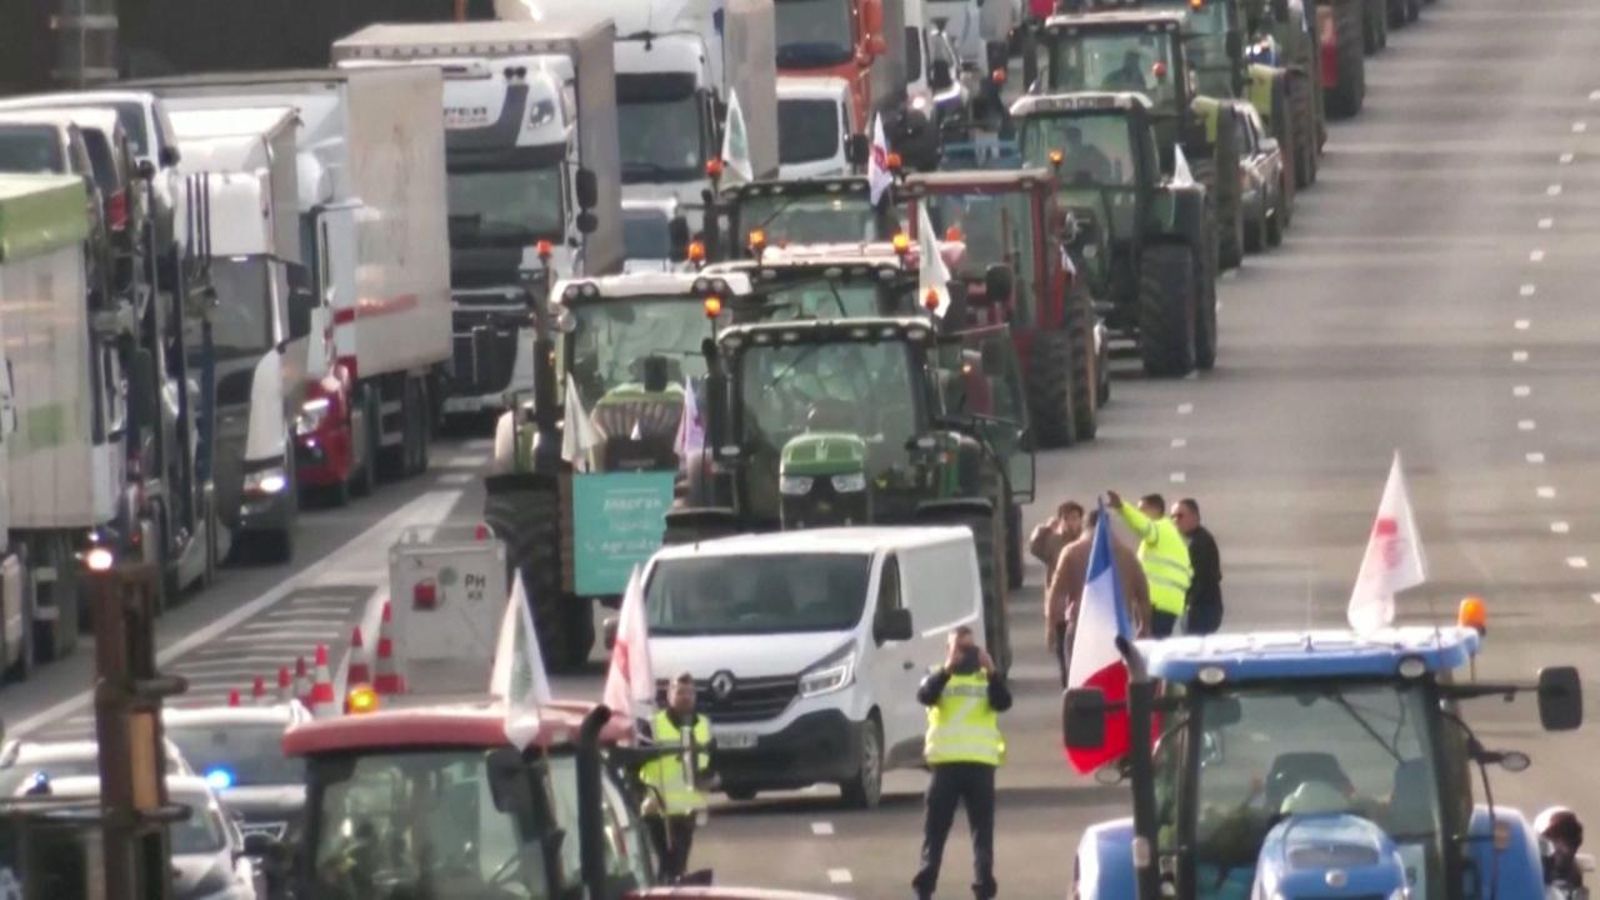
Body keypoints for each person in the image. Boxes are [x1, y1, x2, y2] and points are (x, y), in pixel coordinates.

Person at [913, 627, 1012, 900]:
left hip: (980, 766)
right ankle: (924, 889)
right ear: (948, 650)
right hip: (945, 767)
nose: (964, 655)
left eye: (969, 648)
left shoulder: (986, 678)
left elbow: (1004, 702)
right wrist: (947, 669)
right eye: (959, 648)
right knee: (934, 833)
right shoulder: (937, 674)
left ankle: (983, 889)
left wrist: (992, 671)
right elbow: (925, 696)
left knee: (982, 835)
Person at [1045, 508, 1152, 685]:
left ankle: (1079, 711)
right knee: (1117, 681)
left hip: (1082, 627)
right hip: (1118, 629)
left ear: (1085, 526)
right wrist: (1144, 626)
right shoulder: (1127, 554)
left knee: (1078, 680)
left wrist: (1051, 626)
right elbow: (1143, 595)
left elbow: (1057, 593)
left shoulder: (1071, 552)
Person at [639, 673, 713, 880]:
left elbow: (711, 761)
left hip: (687, 809)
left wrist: (710, 779)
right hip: (658, 810)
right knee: (665, 862)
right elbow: (636, 764)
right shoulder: (653, 725)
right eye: (680, 692)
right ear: (669, 694)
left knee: (678, 864)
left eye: (690, 692)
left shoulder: (703, 725)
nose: (685, 697)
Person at [1107, 490, 1192, 637]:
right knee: (1156, 644)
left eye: (1142, 510)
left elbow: (1144, 526)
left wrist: (1122, 507)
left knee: (1148, 646)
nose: (1140, 513)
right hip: (1170, 604)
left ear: (1155, 510)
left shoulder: (1158, 528)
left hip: (1154, 602)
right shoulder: (1173, 536)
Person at [1174, 498, 1223, 635]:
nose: (1175, 520)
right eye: (1173, 517)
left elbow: (1203, 578)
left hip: (1202, 609)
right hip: (1201, 608)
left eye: (1180, 516)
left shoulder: (1201, 542)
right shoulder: (1193, 540)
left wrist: (1189, 603)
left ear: (1194, 516)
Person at [1029, 500, 1084, 582]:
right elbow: (1034, 549)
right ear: (1060, 521)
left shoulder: (1086, 541)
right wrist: (1046, 529)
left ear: (1080, 520)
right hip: (1058, 587)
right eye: (1065, 519)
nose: (1070, 523)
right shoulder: (1054, 541)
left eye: (1074, 518)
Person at [1537, 806, 1585, 889]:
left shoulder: (1574, 873)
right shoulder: (1532, 870)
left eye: (1569, 841)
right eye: (1555, 839)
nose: (1563, 848)